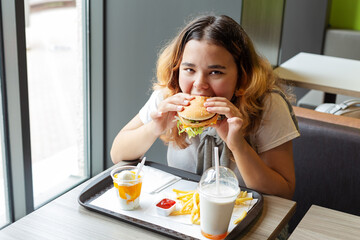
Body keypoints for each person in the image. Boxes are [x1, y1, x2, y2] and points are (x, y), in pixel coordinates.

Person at [111, 15, 300, 200]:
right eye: (189, 70)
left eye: (215, 72)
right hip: (185, 217)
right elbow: (118, 154)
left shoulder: (267, 104)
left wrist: (238, 145)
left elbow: (283, 193)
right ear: (177, 68)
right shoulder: (169, 96)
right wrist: (154, 127)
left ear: (242, 75)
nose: (199, 84)